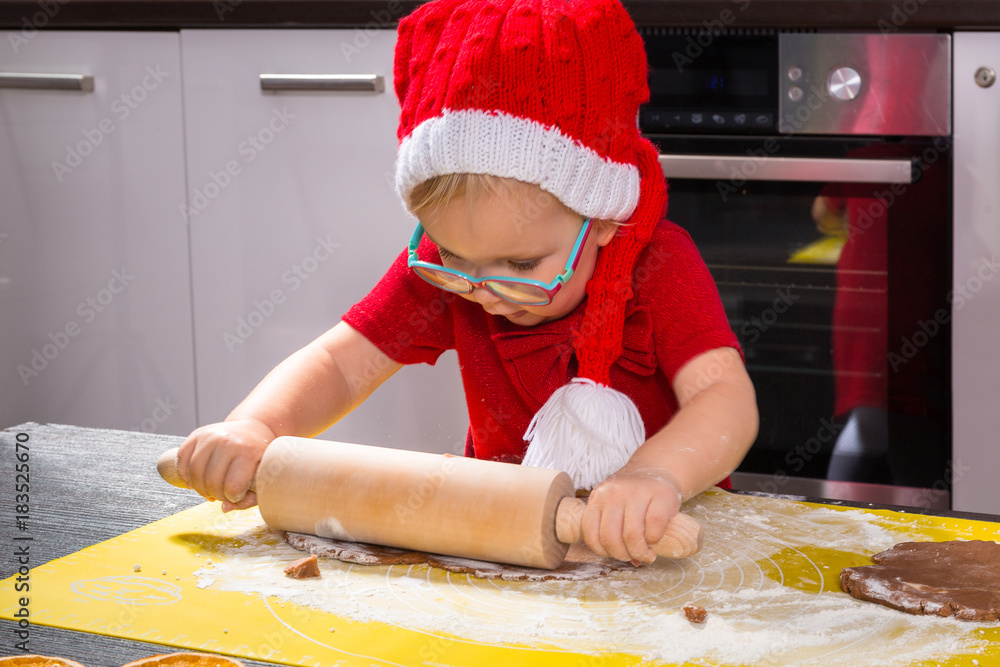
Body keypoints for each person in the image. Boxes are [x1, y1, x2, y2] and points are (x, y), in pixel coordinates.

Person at [177, 0, 758, 565]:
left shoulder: (659, 265)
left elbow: (724, 399)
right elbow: (339, 362)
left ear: (602, 218)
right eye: (454, 254)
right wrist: (258, 426)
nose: (484, 290)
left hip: (670, 547)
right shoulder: (447, 271)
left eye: (523, 266)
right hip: (510, 542)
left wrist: (654, 476)